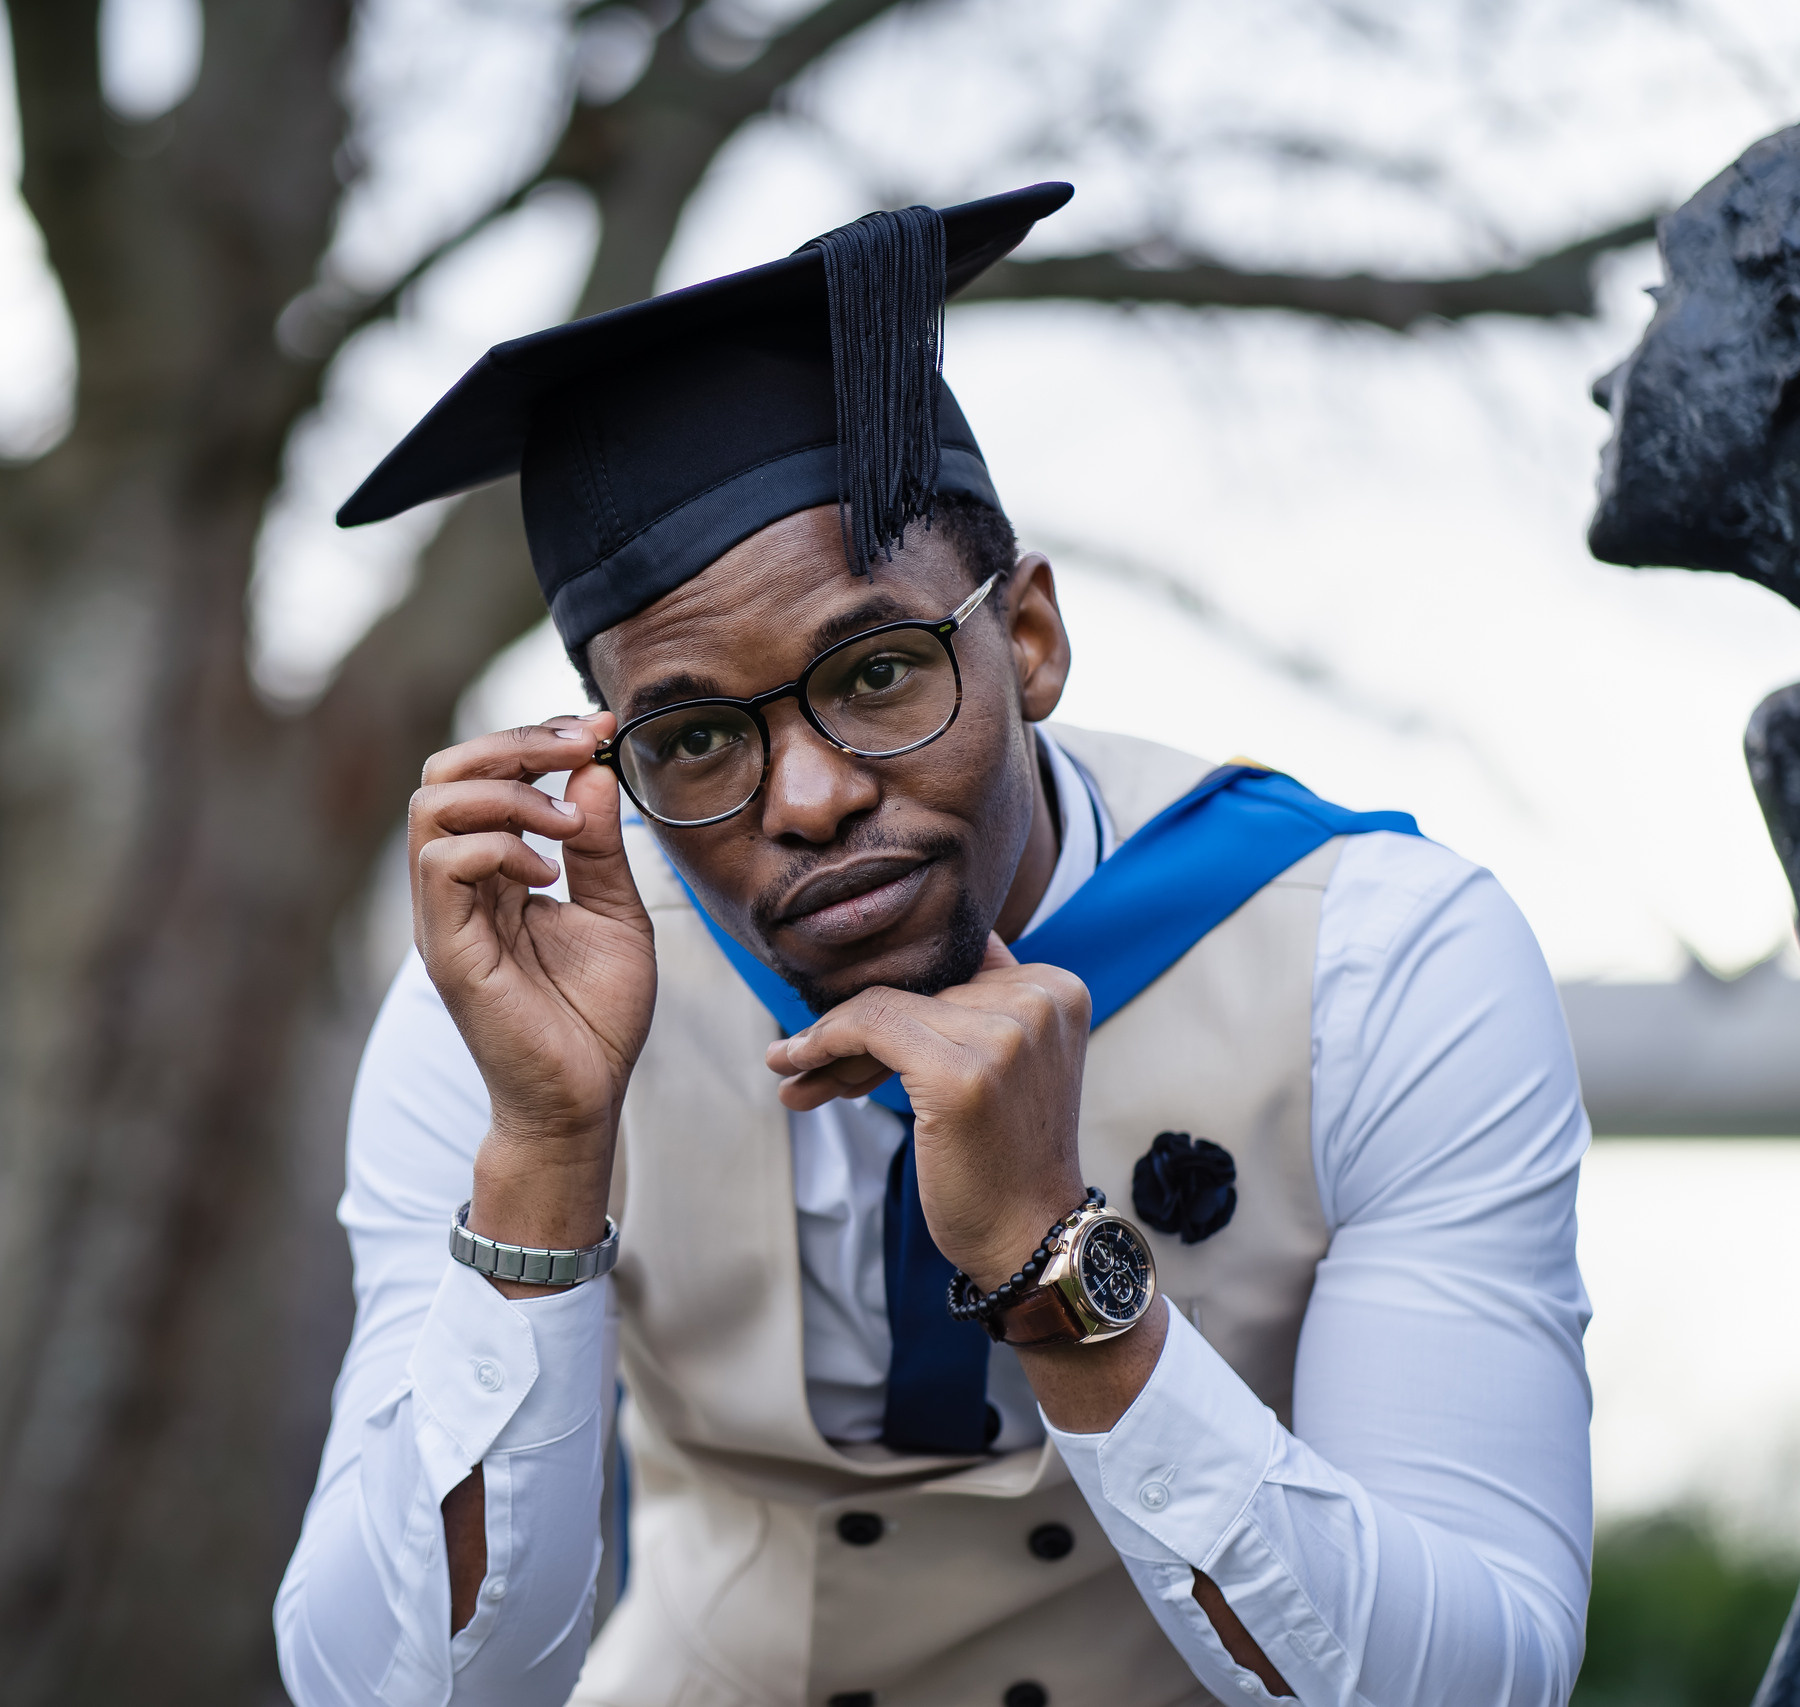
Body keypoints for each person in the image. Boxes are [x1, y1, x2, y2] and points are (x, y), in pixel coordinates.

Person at [275, 185, 1592, 1707]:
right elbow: (389, 1692)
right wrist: (546, 1160)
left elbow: (1484, 1683)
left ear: (1025, 636)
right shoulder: (515, 1011)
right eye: (697, 737)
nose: (813, 798)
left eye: (881, 670)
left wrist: (1060, 1268)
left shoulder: (1380, 960)